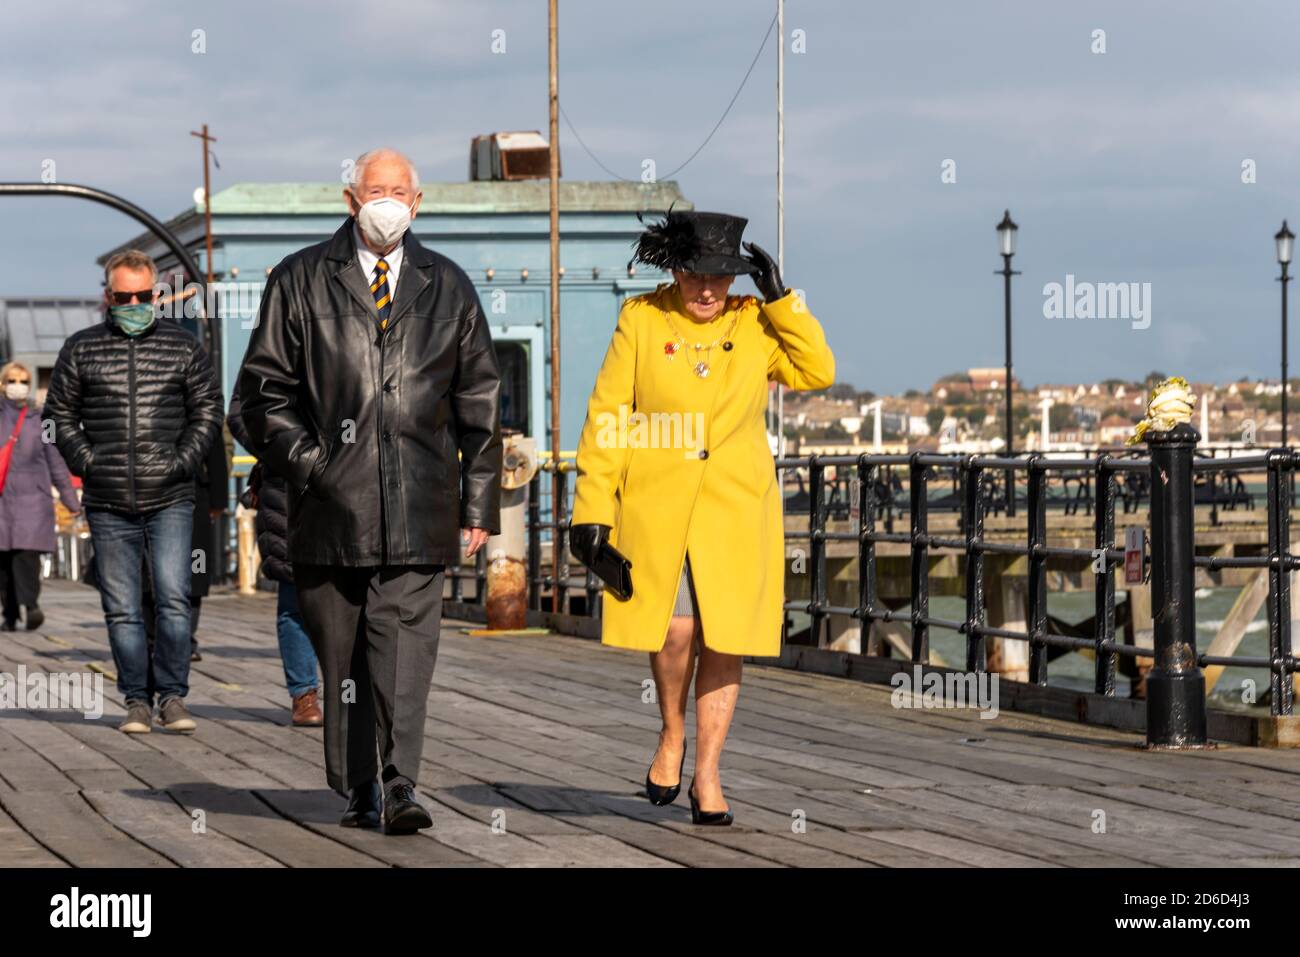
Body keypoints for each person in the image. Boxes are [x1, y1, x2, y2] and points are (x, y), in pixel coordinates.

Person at [237, 148, 503, 835]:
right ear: (351, 199)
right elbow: (259, 394)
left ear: (418, 203)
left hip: (421, 505)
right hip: (331, 508)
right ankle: (357, 783)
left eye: (399, 190)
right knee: (346, 651)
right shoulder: (300, 279)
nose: (386, 201)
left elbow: (480, 400)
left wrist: (478, 504)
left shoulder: (448, 285)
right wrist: (312, 463)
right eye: (373, 189)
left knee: (406, 651)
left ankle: (401, 781)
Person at [569, 209, 835, 825]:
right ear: (677, 270)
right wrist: (592, 513)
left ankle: (709, 774)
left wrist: (781, 299)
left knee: (726, 638)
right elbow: (608, 417)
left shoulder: (754, 322)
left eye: (722, 276)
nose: (708, 290)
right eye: (696, 275)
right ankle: (671, 733)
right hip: (657, 504)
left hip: (736, 507)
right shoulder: (641, 319)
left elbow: (817, 370)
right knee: (675, 630)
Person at [43, 249, 224, 735]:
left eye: (144, 296)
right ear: (108, 296)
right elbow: (57, 417)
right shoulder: (81, 348)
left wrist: (181, 461)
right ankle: (136, 700)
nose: (135, 303)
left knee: (173, 598)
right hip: (107, 501)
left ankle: (173, 696)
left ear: (156, 295)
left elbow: (208, 411)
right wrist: (89, 463)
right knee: (121, 607)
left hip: (170, 497)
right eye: (125, 296)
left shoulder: (184, 348)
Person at [226, 380, 323, 727]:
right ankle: (304, 693)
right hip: (286, 485)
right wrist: (277, 448)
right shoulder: (271, 333)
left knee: (353, 597)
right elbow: (240, 410)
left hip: (349, 474)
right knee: (294, 596)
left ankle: (351, 691)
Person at [0, 361, 81, 631]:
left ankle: (31, 605)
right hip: (2, 497)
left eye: (23, 381)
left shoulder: (44, 419)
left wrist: (71, 500)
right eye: (12, 380)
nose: (18, 386)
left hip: (33, 497)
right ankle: (9, 612)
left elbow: (56, 461)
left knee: (27, 555)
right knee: (3, 559)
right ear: (3, 384)